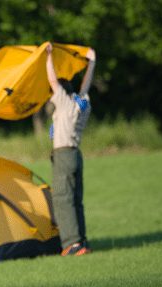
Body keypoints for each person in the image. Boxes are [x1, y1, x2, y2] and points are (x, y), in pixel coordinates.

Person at [45, 43, 96, 256]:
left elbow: (52, 80)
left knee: (63, 199)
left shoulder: (65, 103)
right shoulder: (81, 103)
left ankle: (72, 244)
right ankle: (81, 241)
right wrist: (91, 61)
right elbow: (86, 85)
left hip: (64, 155)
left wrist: (48, 56)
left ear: (61, 94)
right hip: (76, 154)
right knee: (76, 199)